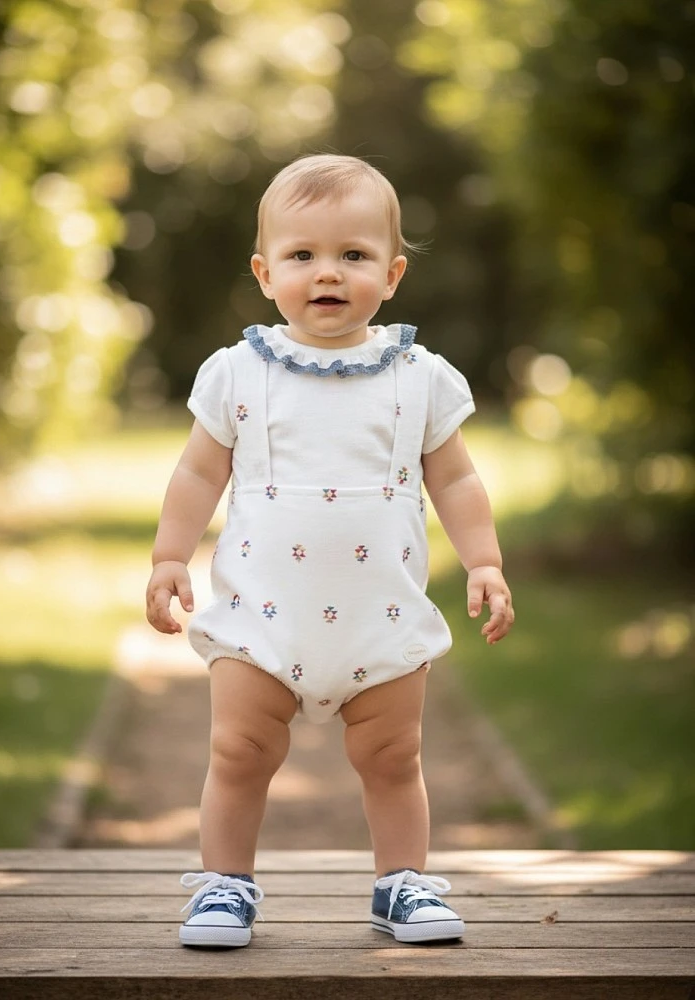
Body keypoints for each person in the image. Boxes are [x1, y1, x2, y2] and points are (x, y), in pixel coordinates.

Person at [146, 153, 514, 949]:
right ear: (264, 271)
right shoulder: (238, 372)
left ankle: (402, 882)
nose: (328, 273)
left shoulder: (420, 377)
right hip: (260, 618)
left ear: (392, 273)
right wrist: (169, 556)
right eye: (303, 255)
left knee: (393, 754)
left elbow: (455, 481)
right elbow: (198, 470)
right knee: (238, 749)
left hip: (377, 614)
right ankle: (225, 884)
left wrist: (482, 559)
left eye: (353, 255)